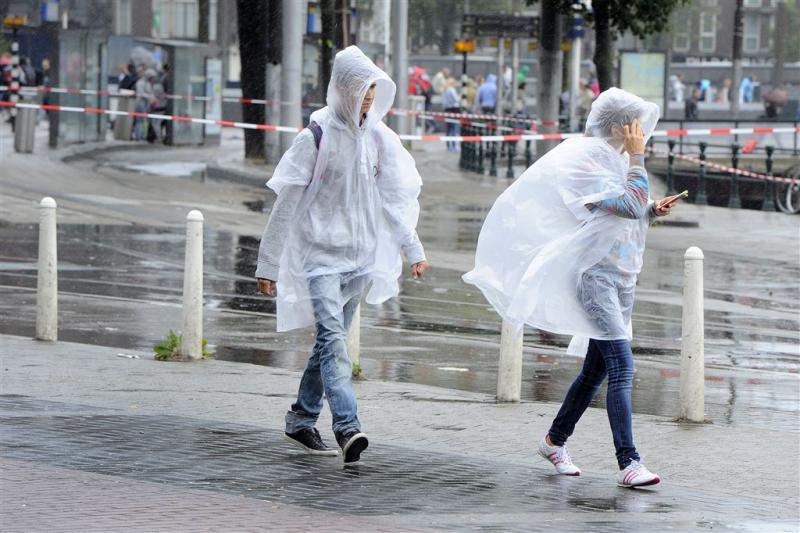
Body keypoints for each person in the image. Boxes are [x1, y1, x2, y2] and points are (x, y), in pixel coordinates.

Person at [464, 88, 678, 488]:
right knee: (622, 365)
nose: (641, 131)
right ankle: (629, 462)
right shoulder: (583, 158)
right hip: (595, 276)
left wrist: (653, 209)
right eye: (635, 123)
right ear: (617, 125)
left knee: (595, 370)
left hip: (622, 276)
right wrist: (638, 161)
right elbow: (624, 205)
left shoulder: (612, 160)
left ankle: (554, 441)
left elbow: (628, 210)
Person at [255, 46, 429, 464]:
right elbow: (287, 203)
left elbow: (391, 199)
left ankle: (300, 419)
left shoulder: (379, 139)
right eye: (360, 88)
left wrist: (413, 248)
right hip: (320, 258)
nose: (367, 97)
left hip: (361, 259)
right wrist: (268, 262)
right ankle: (348, 427)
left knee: (327, 344)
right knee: (335, 343)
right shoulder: (314, 137)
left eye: (372, 88)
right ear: (341, 88)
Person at [441, 77, 461, 152]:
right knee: (453, 128)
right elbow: (456, 100)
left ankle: (448, 145)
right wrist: (460, 97)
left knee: (448, 129)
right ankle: (454, 145)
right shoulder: (452, 90)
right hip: (454, 109)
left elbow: (443, 102)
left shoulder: (445, 90)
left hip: (447, 110)